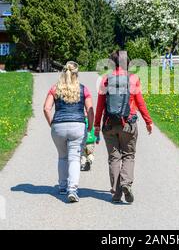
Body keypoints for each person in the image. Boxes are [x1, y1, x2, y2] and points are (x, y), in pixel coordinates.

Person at [94, 51, 153, 204]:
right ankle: (125, 184)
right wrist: (148, 121)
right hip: (129, 123)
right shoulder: (133, 79)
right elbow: (140, 103)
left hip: (109, 124)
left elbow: (100, 105)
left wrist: (96, 125)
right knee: (128, 155)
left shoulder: (106, 80)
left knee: (114, 157)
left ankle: (115, 192)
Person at [43, 61, 94, 203]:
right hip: (77, 126)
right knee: (74, 158)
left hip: (58, 126)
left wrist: (52, 124)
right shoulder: (83, 89)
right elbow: (90, 110)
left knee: (62, 157)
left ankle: (62, 186)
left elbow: (46, 108)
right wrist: (89, 127)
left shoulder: (55, 88)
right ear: (77, 74)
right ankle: (72, 189)